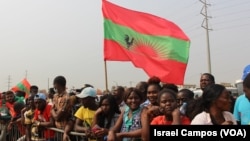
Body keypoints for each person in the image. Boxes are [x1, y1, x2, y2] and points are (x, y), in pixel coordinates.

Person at [51, 76, 76, 141]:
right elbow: (52, 109)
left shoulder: (67, 98)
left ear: (59, 85)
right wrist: (54, 112)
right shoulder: (55, 96)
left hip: (66, 130)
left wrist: (54, 112)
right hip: (57, 128)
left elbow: (57, 117)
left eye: (55, 85)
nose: (54, 87)